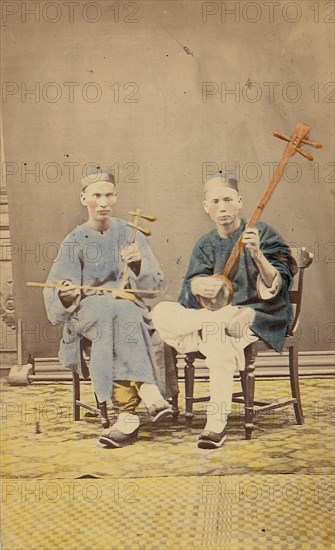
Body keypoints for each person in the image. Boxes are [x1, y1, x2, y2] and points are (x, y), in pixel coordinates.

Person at [152, 173, 297, 449]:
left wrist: (258, 255)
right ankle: (214, 324)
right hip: (217, 318)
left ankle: (216, 423)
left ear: (240, 202)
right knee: (161, 312)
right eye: (215, 201)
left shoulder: (263, 233)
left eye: (228, 199)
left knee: (217, 331)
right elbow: (187, 296)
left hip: (257, 314)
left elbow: (278, 286)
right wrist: (198, 287)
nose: (222, 207)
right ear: (205, 206)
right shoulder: (205, 243)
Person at [44, 168, 173, 448]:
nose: (103, 202)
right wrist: (66, 295)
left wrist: (138, 262)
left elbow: (155, 284)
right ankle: (148, 389)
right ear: (83, 198)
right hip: (86, 312)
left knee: (119, 314)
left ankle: (127, 417)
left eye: (109, 195)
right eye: (96, 195)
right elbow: (55, 289)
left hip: (125, 312)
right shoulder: (75, 240)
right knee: (113, 312)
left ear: (115, 198)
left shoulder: (130, 233)